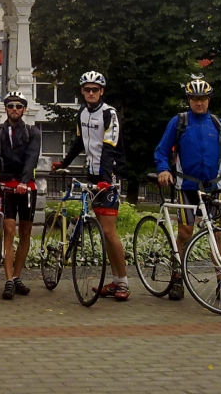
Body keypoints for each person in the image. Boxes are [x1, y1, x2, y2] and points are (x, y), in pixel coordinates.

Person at [153, 75, 221, 301]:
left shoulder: (219, 125)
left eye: (203, 99)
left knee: (216, 234)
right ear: (189, 100)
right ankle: (177, 278)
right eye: (194, 99)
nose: (199, 103)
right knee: (185, 232)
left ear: (209, 100)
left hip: (213, 188)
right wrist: (163, 169)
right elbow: (161, 150)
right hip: (186, 186)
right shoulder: (179, 122)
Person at [50, 71, 130, 301]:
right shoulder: (82, 113)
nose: (91, 93)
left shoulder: (109, 113)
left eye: (95, 89)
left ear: (101, 91)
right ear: (82, 91)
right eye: (87, 89)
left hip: (109, 176)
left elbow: (109, 147)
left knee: (109, 232)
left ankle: (123, 283)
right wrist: (65, 162)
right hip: (93, 175)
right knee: (103, 231)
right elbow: (80, 142)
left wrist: (105, 178)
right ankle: (115, 282)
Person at [0, 90, 41, 300]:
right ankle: (7, 280)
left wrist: (24, 181)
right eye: (10, 106)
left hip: (26, 186)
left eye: (18, 106)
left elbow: (32, 158)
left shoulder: (33, 132)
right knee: (8, 230)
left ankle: (16, 276)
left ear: (24, 109)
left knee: (25, 232)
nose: (14, 109)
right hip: (5, 185)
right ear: (5, 109)